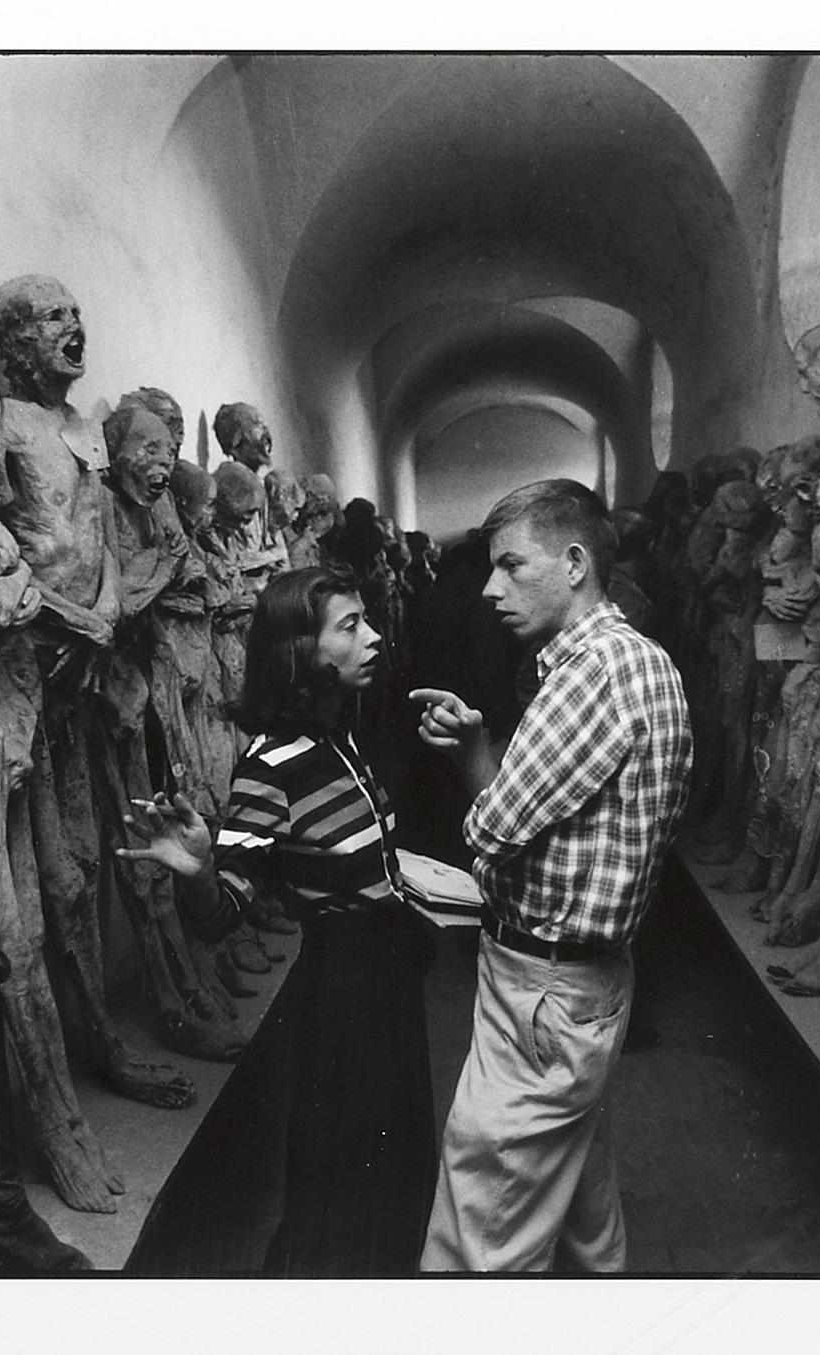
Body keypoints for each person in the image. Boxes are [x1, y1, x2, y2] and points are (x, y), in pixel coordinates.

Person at [117, 566, 436, 1275]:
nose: (373, 636)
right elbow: (220, 915)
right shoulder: (270, 767)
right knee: (345, 1183)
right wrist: (199, 870)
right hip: (344, 991)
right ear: (300, 650)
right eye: (350, 626)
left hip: (388, 974)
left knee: (400, 1164)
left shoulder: (338, 737)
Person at [411, 478, 692, 1271]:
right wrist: (484, 755)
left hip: (543, 989)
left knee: (481, 1232)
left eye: (510, 565)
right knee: (581, 1217)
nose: (490, 589)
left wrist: (472, 758)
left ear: (573, 563)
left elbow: (491, 826)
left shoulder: (592, 671)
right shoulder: (625, 657)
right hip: (574, 986)